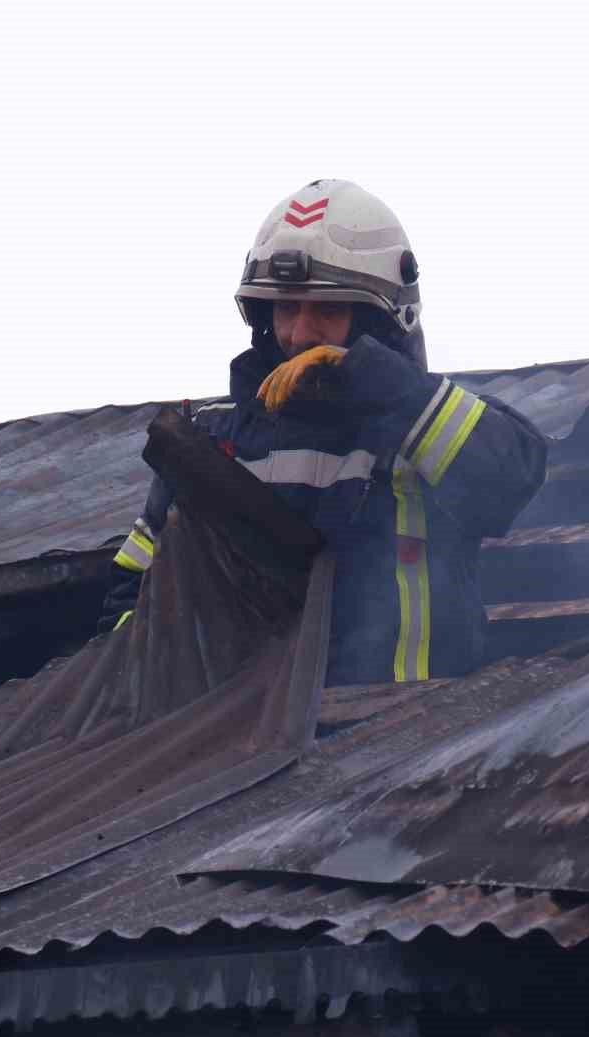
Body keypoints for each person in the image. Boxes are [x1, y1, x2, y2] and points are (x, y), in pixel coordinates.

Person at [100, 179, 546, 685]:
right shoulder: (212, 439)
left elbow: (515, 477)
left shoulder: (422, 423)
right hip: (245, 749)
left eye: (328, 310)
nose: (301, 334)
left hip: (415, 739)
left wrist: (376, 380)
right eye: (286, 309)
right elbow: (134, 593)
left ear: (381, 321)